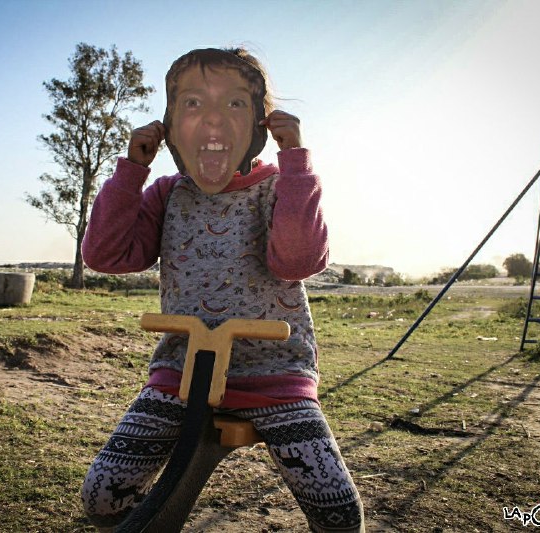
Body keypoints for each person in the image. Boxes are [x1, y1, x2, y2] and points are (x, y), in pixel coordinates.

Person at [80, 47, 364, 532]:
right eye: (193, 103)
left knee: (337, 514)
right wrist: (131, 170)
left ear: (260, 123)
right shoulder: (169, 192)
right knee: (103, 497)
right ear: (172, 124)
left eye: (234, 104)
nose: (213, 119)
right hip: (181, 374)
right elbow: (107, 255)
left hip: (273, 376)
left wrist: (295, 163)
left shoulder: (279, 186)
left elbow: (298, 262)